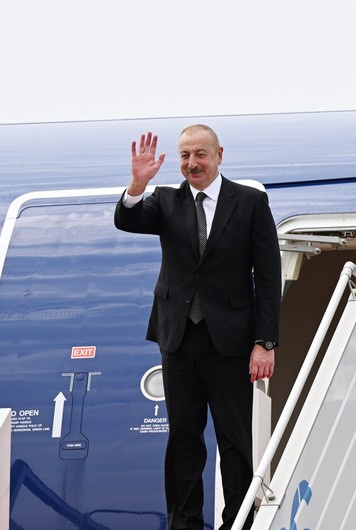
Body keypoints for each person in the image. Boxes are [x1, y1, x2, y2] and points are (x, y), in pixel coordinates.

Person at [114, 125, 281, 530]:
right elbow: (127, 220)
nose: (192, 163)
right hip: (178, 338)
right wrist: (137, 184)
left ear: (219, 155)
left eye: (200, 154)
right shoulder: (164, 199)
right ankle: (184, 524)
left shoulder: (250, 202)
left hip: (231, 340)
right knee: (183, 438)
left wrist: (265, 342)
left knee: (234, 440)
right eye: (185, 155)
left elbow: (268, 276)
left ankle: (238, 523)